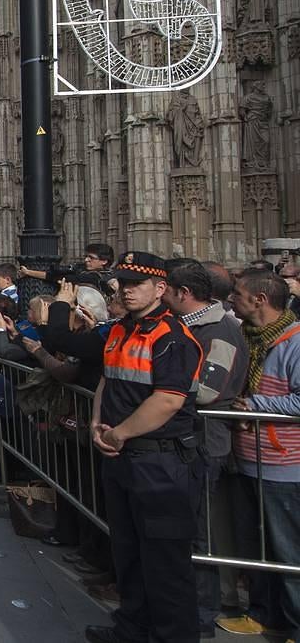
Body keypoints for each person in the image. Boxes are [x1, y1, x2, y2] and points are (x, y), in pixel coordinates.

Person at [85, 251, 205, 643]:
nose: (126, 290)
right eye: (123, 282)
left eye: (136, 283)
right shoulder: (120, 329)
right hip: (122, 460)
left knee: (165, 564)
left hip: (161, 462)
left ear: (160, 288)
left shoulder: (171, 335)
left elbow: (168, 399)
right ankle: (131, 629)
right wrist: (96, 420)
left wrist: (120, 433)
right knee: (129, 554)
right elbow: (109, 379)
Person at [159, 258, 248, 636]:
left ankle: (200, 614)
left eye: (167, 290)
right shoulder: (188, 326)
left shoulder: (221, 330)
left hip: (206, 443)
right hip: (187, 438)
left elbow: (210, 390)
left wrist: (161, 386)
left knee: (199, 532)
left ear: (183, 293)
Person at [216, 270, 300, 638]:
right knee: (257, 548)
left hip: (283, 465)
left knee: (288, 553)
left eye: (238, 293)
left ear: (260, 300)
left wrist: (254, 404)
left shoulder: (294, 343)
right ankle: (265, 615)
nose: (232, 298)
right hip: (249, 458)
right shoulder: (249, 338)